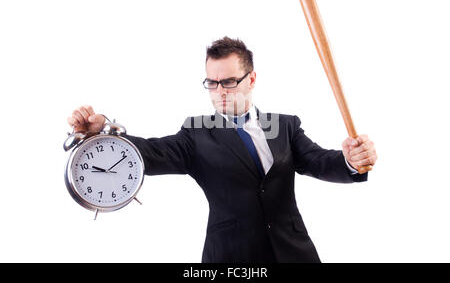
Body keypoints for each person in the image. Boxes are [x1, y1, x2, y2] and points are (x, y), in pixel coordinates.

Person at [67, 36, 377, 263]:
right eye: (211, 83)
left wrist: (351, 160)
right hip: (230, 257)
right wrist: (103, 133)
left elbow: (321, 162)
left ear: (251, 78)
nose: (219, 92)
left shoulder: (284, 126)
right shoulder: (197, 133)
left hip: (293, 254)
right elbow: (150, 152)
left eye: (228, 82)